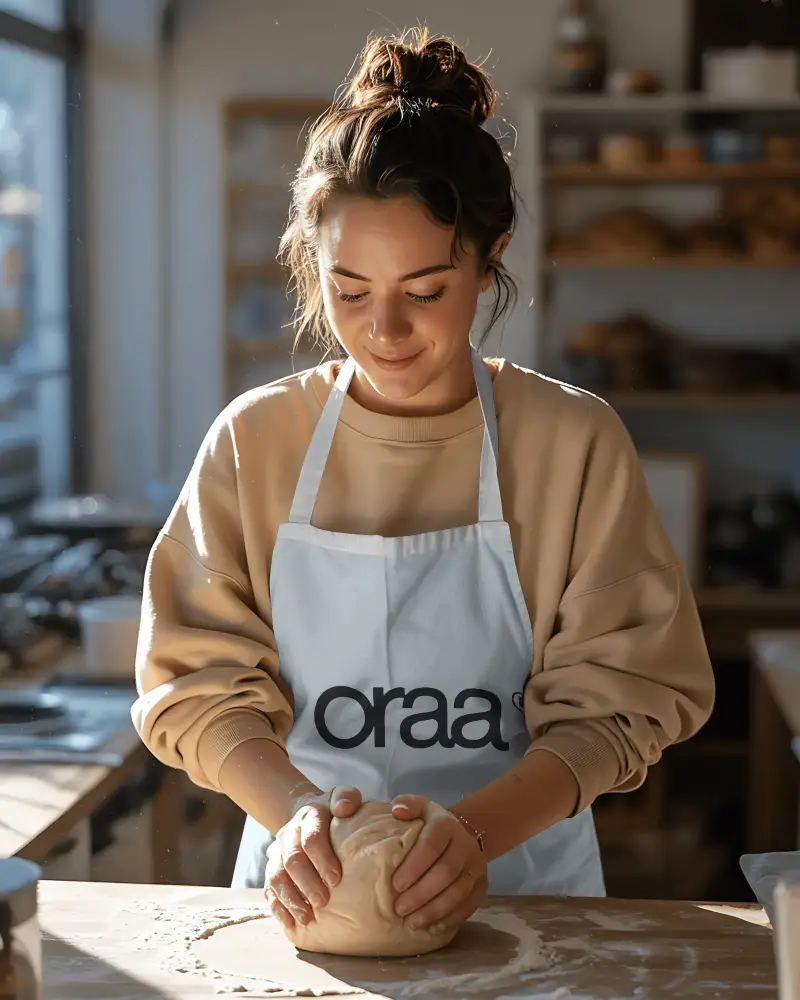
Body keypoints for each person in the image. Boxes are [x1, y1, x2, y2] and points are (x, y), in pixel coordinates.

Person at [132, 29, 714, 941]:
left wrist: (476, 837)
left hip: (528, 896)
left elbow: (629, 697)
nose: (385, 329)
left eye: (428, 289)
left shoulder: (571, 441)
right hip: (304, 903)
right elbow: (197, 687)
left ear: (490, 260)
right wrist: (294, 817)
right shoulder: (256, 441)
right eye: (349, 290)